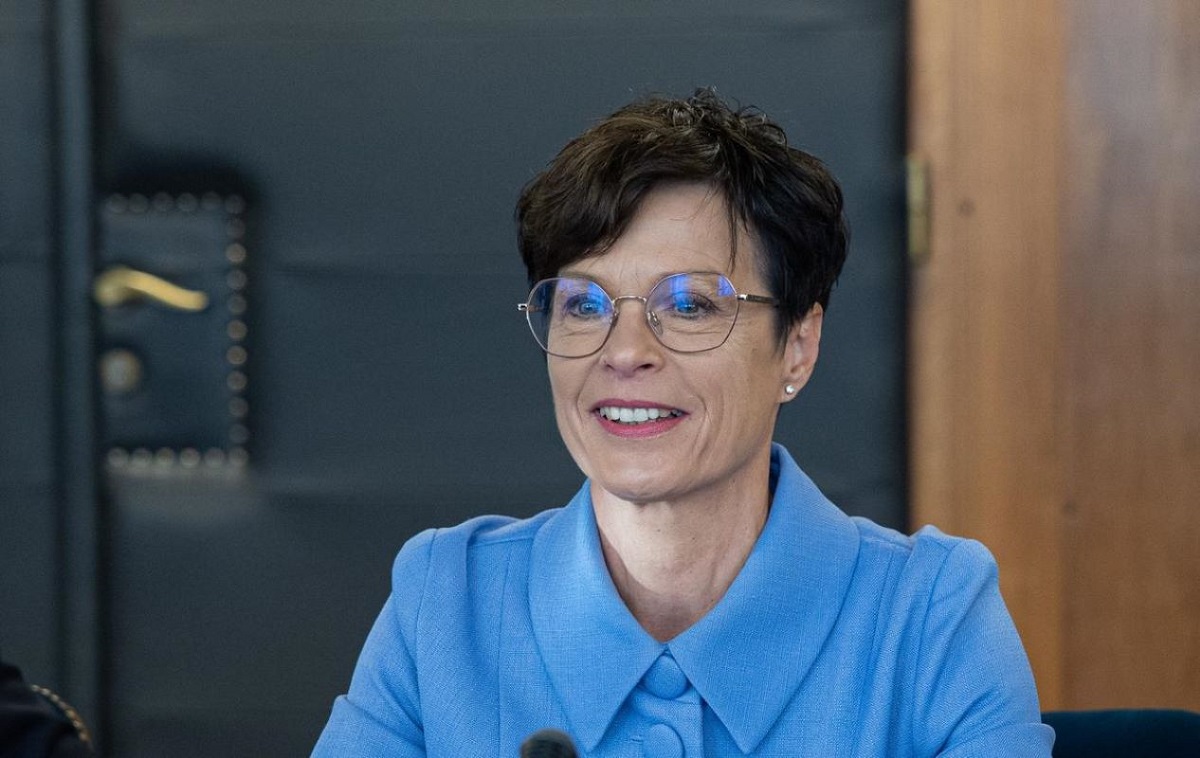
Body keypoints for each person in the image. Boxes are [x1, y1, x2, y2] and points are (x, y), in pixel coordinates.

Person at [313, 89, 1053, 757]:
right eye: (584, 305)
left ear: (797, 345)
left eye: (691, 305)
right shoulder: (446, 602)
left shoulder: (930, 619)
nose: (624, 352)